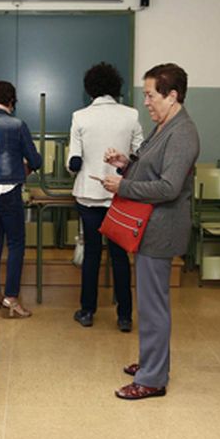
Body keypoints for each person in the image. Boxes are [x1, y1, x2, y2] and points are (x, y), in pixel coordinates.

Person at [100, 62, 199, 400]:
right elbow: (151, 168)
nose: (146, 102)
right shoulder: (164, 127)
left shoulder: (183, 133)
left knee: (154, 305)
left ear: (172, 96)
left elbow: (169, 187)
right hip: (149, 227)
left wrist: (123, 186)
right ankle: (149, 362)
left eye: (151, 95)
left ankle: (153, 378)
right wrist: (126, 164)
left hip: (161, 229)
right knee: (149, 302)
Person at [68, 62, 143, 331]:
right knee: (119, 256)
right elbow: (140, 156)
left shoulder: (80, 116)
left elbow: (73, 161)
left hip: (89, 196)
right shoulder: (132, 115)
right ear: (116, 87)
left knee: (91, 254)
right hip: (120, 196)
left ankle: (87, 311)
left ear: (90, 89)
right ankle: (124, 317)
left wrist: (82, 163)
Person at [0, 80, 42, 318]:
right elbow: (35, 161)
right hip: (11, 191)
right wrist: (23, 167)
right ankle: (11, 298)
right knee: (16, 244)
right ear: (11, 101)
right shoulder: (18, 125)